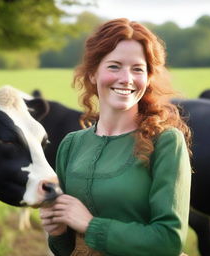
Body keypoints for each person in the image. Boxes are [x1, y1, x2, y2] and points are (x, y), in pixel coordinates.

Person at [40, 18, 192, 256]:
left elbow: (169, 241)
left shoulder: (165, 142)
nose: (127, 78)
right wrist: (57, 231)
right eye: (114, 66)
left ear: (149, 77)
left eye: (138, 69)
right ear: (92, 74)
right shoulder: (71, 144)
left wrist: (91, 226)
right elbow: (66, 249)